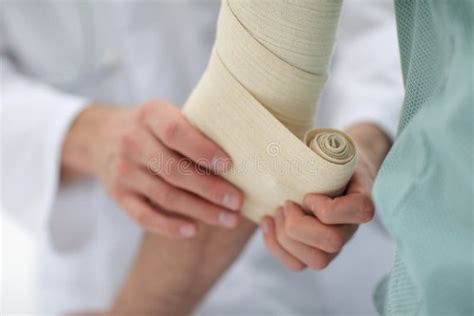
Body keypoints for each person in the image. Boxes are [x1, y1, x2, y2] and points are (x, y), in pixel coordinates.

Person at [1, 1, 401, 314]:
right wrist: (83, 133)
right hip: (99, 267)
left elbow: (385, 23)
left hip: (323, 256)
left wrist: (367, 140)